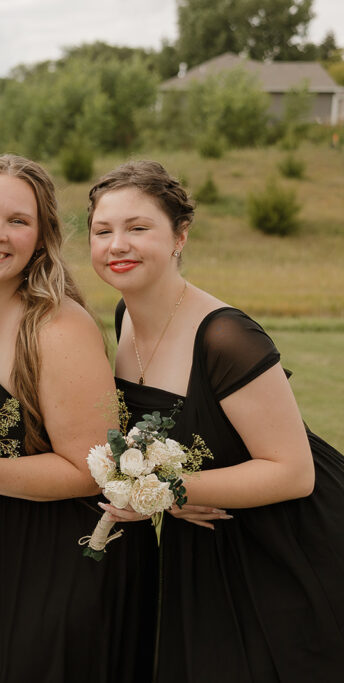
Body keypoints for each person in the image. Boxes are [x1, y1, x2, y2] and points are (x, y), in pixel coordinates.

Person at [89, 160, 344, 683]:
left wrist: (163, 492)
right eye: (103, 230)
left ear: (180, 236)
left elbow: (295, 471)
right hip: (210, 539)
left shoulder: (226, 336)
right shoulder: (125, 316)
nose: (118, 244)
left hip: (288, 539)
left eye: (138, 228)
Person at [0, 155, 152, 682]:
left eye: (18, 221)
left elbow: (88, 467)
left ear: (43, 235)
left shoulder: (56, 324)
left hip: (56, 559)